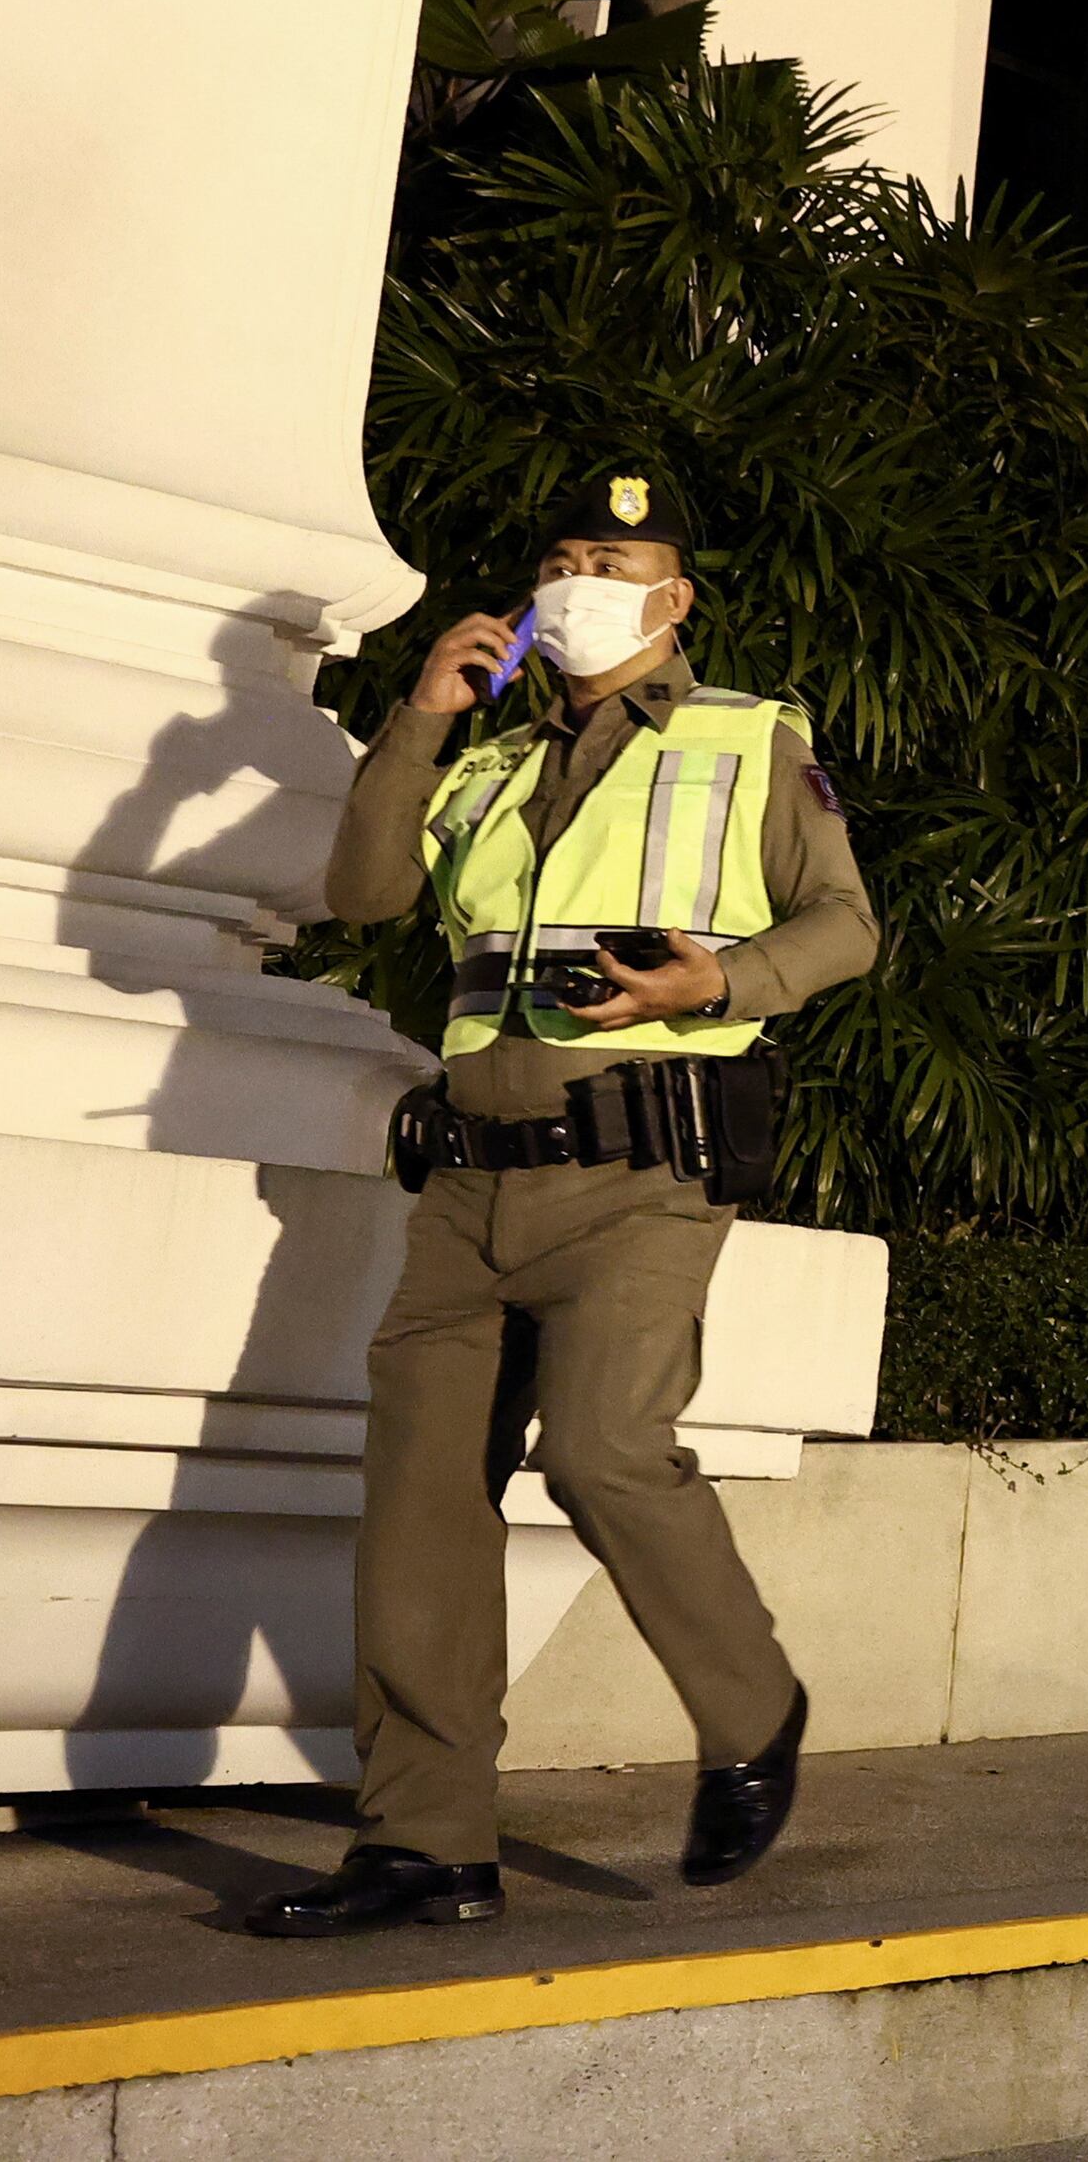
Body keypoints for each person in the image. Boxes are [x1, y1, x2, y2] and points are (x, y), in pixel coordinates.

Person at [255, 470, 877, 1938]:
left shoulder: (747, 739)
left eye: (613, 556)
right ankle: (424, 1842)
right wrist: (420, 713)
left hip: (639, 1178)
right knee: (418, 1512)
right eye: (559, 554)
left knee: (604, 1454)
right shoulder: (476, 761)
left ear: (675, 598)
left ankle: (752, 1709)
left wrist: (716, 980)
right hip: (468, 1187)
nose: (578, 575)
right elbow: (363, 896)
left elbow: (846, 923)